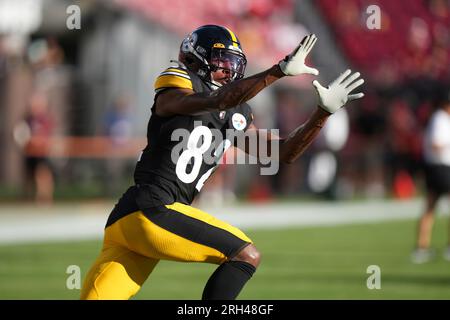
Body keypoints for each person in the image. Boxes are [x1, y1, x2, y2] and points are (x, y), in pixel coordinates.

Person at [80, 25, 364, 300]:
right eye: (221, 61)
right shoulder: (178, 81)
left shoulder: (237, 111)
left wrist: (322, 114)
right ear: (196, 58)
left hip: (134, 219)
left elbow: (284, 152)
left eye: (234, 62)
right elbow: (217, 100)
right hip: (152, 207)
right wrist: (277, 70)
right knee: (246, 255)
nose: (230, 69)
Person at [411, 89, 450, 263]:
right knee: (430, 208)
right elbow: (436, 144)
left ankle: (422, 247)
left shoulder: (439, 118)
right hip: (441, 167)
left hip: (436, 168)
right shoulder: (441, 119)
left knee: (430, 208)